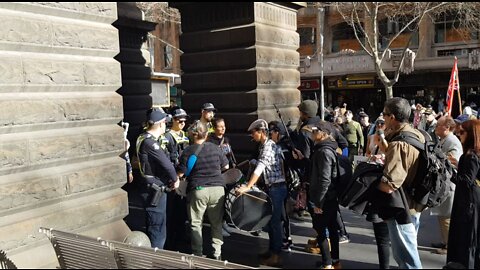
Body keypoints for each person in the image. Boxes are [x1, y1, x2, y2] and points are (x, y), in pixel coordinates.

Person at [375, 97, 424, 269]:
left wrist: (370, 185)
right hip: (415, 203)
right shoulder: (416, 133)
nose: (383, 118)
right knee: (409, 250)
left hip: (401, 207)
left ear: (392, 117)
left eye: (385, 114)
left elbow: (389, 185)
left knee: (407, 258)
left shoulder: (399, 144)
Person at [237, 119, 287, 267]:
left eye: (254, 133)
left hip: (276, 188)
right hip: (275, 187)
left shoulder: (268, 147)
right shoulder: (265, 145)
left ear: (261, 132)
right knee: (271, 221)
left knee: (275, 223)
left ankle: (276, 255)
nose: (253, 136)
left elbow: (260, 168)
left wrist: (248, 186)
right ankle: (272, 251)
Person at [177, 120, 229, 260]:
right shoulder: (215, 148)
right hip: (218, 189)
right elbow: (226, 166)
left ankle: (197, 253)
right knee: (216, 223)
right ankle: (217, 253)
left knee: (196, 223)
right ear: (206, 134)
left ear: (192, 135)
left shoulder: (188, 151)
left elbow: (180, 174)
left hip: (198, 189)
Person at [136, 109, 179, 249]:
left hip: (147, 187)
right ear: (161, 124)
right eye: (165, 122)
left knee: (152, 224)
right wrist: (175, 180)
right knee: (158, 229)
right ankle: (156, 259)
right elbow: (167, 165)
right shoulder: (151, 143)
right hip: (154, 190)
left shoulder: (141, 137)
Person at [444, 120, 480, 269]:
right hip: (472, 200)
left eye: (462, 132)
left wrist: (448, 171)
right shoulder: (473, 154)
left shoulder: (471, 155)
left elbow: (466, 181)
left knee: (466, 239)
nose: (459, 135)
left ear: (471, 134)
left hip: (468, 202)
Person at [308, 122, 341, 269]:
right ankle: (335, 262)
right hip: (330, 196)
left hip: (325, 197)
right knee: (332, 228)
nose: (312, 133)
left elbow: (325, 179)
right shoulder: (326, 149)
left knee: (321, 230)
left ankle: (327, 263)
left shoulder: (323, 152)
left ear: (323, 133)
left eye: (315, 131)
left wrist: (318, 203)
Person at [430, 116, 463, 255]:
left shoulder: (452, 142)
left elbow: (453, 162)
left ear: (447, 128)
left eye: (439, 125)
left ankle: (450, 246)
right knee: (442, 215)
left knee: (447, 216)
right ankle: (445, 241)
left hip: (449, 184)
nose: (436, 127)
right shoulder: (444, 139)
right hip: (442, 183)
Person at [164, 108, 191, 252]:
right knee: (171, 212)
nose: (183, 123)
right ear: (173, 120)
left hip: (183, 178)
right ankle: (171, 241)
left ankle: (181, 236)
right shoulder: (167, 137)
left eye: (185, 120)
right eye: (180, 120)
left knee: (182, 211)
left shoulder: (185, 136)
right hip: (172, 178)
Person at [207, 117, 237, 237]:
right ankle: (218, 225)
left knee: (226, 199)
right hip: (216, 173)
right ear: (214, 128)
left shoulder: (226, 139)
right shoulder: (210, 141)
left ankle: (224, 221)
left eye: (224, 125)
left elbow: (230, 154)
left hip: (227, 172)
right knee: (218, 201)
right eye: (220, 126)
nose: (223, 128)